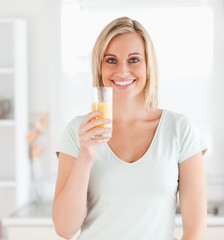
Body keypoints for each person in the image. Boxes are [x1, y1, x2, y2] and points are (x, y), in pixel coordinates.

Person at [52, 16, 207, 240]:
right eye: (111, 60)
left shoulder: (180, 130)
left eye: (133, 60)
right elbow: (65, 229)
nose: (122, 71)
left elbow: (196, 229)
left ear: (148, 65)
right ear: (100, 66)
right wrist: (86, 154)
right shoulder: (78, 131)